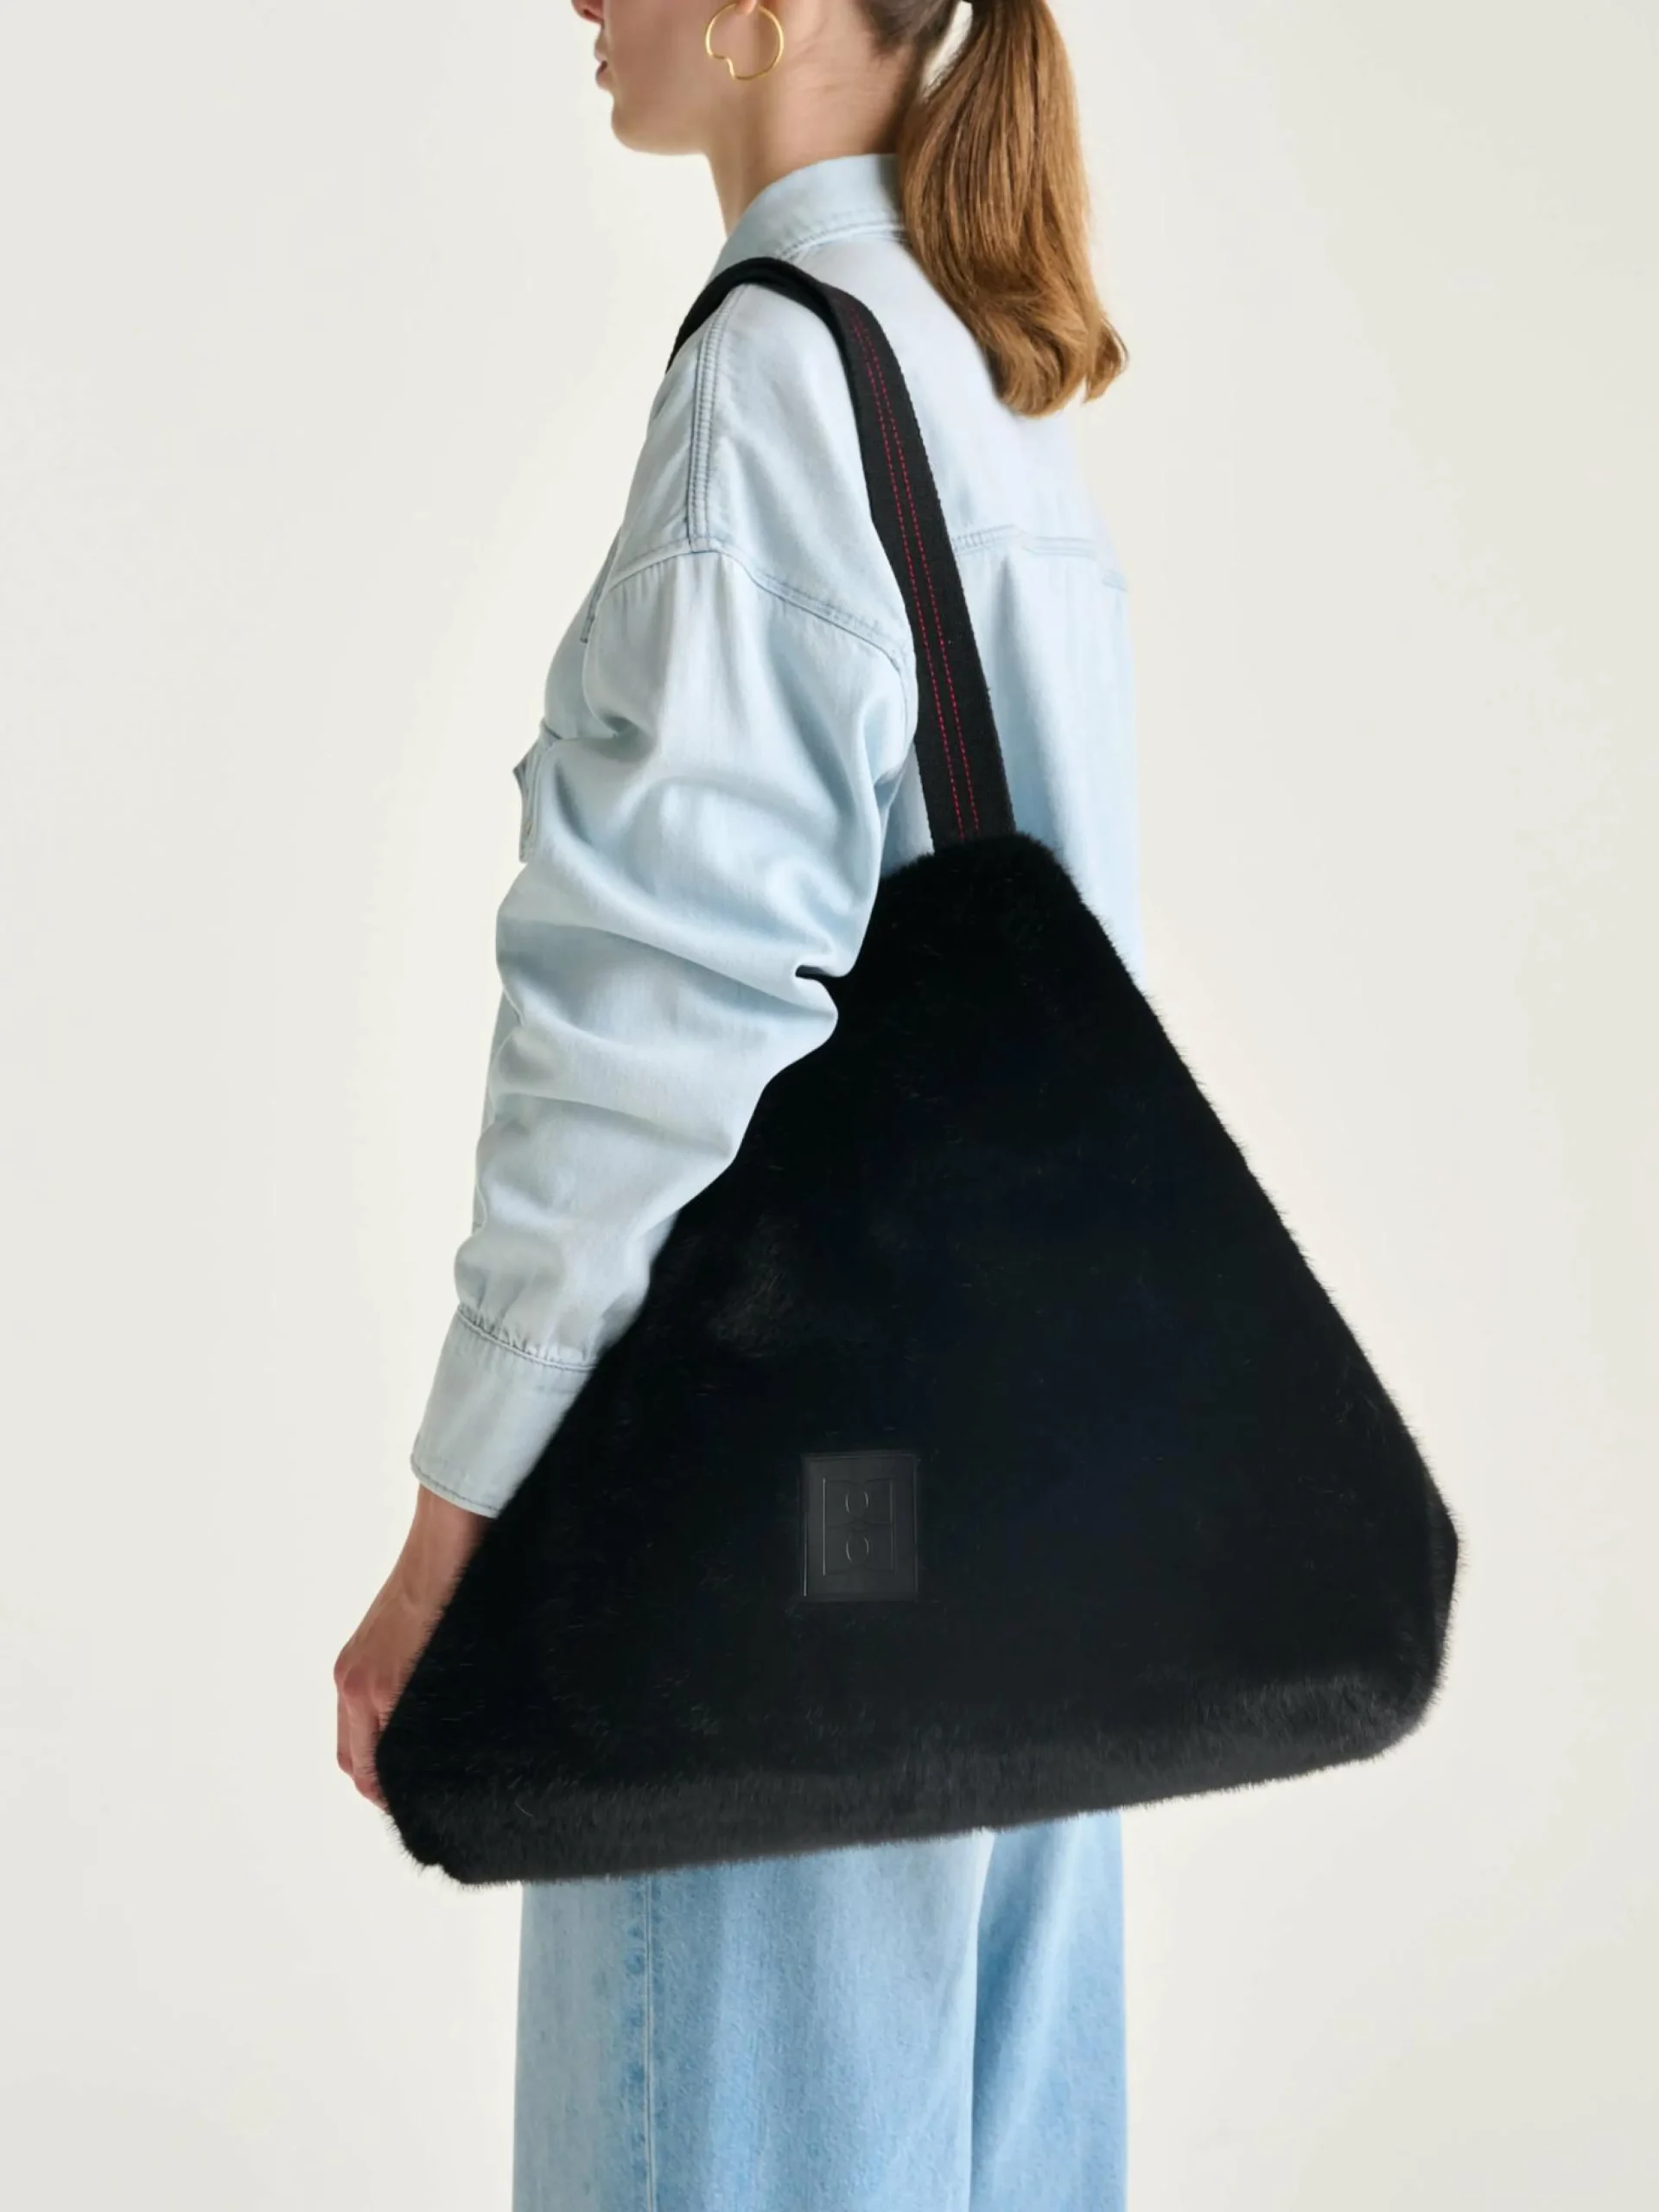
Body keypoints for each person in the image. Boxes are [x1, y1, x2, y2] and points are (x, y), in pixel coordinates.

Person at [336, 2, 1142, 2203]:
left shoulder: (780, 382)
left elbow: (661, 1008)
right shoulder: (981, 382)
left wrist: (457, 1534)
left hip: (780, 1541)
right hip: (1028, 1512)